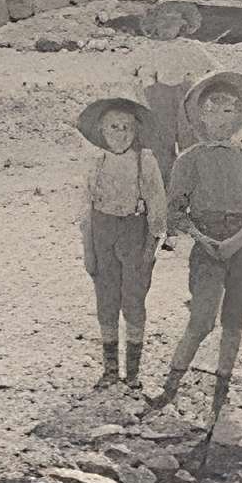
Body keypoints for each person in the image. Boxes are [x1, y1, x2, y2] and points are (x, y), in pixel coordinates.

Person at [144, 71, 242, 422]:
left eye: (229, 111)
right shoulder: (189, 161)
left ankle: (221, 392)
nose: (220, 119)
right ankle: (169, 387)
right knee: (201, 321)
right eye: (213, 110)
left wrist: (234, 242)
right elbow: (174, 211)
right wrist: (205, 239)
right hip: (207, 244)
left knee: (234, 321)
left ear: (239, 116)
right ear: (199, 115)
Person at [76, 94, 167, 389]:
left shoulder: (145, 160)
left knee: (134, 299)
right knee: (106, 299)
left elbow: (157, 205)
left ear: (136, 130)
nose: (120, 133)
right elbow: (86, 211)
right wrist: (89, 251)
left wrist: (150, 248)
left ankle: (134, 373)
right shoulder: (95, 162)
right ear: (102, 132)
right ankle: (110, 370)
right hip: (103, 233)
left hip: (134, 232)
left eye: (126, 127)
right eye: (113, 127)